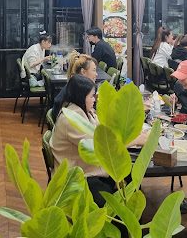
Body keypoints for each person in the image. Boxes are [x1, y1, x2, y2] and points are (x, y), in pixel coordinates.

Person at [50, 75, 147, 207]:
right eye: (91, 96)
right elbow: (101, 148)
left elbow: (103, 131)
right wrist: (135, 140)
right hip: (78, 176)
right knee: (113, 204)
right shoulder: (71, 119)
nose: (94, 100)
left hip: (89, 167)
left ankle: (130, 213)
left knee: (130, 175)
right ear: (81, 97)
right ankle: (123, 217)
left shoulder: (84, 111)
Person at [52, 52, 98, 121]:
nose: (96, 74)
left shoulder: (74, 86)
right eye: (93, 70)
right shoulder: (78, 93)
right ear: (83, 72)